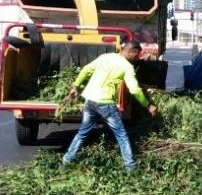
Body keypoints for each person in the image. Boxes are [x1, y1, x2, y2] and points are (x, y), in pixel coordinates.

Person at [62, 39, 157, 170]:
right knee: (121, 135)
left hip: (90, 100)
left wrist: (75, 87)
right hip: (105, 103)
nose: (137, 59)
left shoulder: (105, 57)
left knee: (83, 132)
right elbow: (134, 90)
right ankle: (130, 167)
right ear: (130, 52)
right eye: (137, 55)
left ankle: (67, 160)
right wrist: (148, 105)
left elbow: (86, 69)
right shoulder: (127, 67)